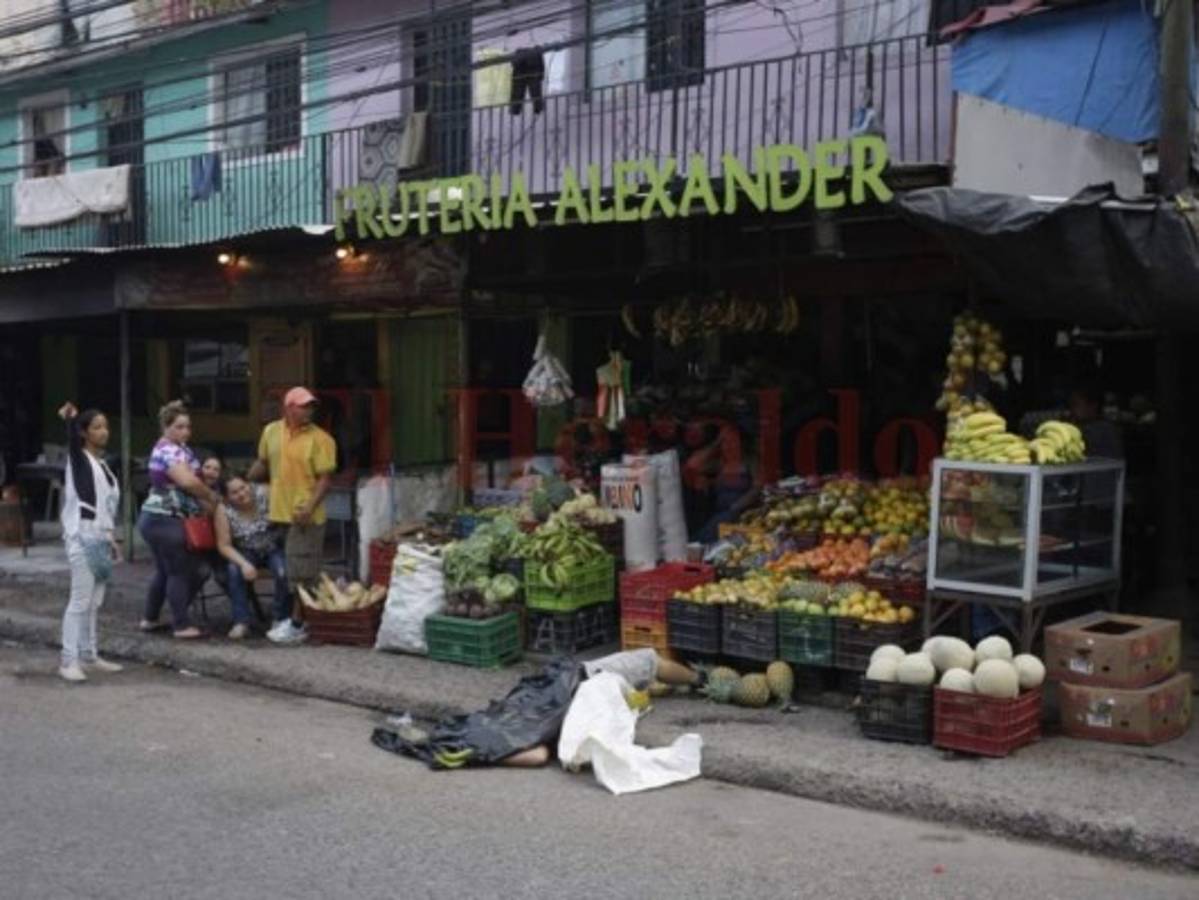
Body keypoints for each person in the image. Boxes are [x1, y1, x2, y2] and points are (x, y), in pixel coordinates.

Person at [248, 386, 337, 645]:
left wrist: (310, 506)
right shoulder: (271, 432)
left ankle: (298, 623)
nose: (308, 410)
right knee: (286, 570)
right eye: (302, 405)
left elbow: (325, 480)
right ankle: (284, 617)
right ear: (288, 407)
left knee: (302, 571)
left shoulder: (321, 439)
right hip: (278, 512)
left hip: (305, 515)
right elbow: (263, 463)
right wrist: (241, 480)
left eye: (310, 406)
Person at [138, 400, 220, 639]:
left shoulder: (178, 448)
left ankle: (150, 618)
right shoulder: (169, 450)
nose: (185, 432)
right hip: (167, 518)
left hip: (155, 519)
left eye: (187, 427)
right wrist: (211, 497)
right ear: (166, 427)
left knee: (164, 571)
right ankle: (181, 625)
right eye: (179, 427)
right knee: (180, 571)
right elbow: (188, 482)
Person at [56, 402, 123, 683]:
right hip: (81, 536)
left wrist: (112, 538)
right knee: (80, 601)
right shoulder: (79, 459)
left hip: (100, 538)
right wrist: (70, 420)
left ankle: (89, 654)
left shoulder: (103, 466)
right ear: (83, 433)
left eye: (105, 426)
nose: (103, 431)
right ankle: (68, 660)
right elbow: (72, 443)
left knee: (94, 602)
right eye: (96, 427)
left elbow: (106, 508)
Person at [214, 474, 288, 641]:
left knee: (283, 571)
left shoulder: (264, 492)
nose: (241, 493)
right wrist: (245, 564)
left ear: (249, 485)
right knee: (234, 570)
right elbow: (223, 545)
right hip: (246, 551)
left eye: (243, 487)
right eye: (234, 492)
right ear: (227, 497)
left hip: (272, 546)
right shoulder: (223, 509)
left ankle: (280, 618)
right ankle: (241, 621)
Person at [1069, 384, 1123, 459]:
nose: (1072, 409)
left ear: (1092, 406)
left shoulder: (1105, 429)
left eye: (1076, 404)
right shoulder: (1080, 426)